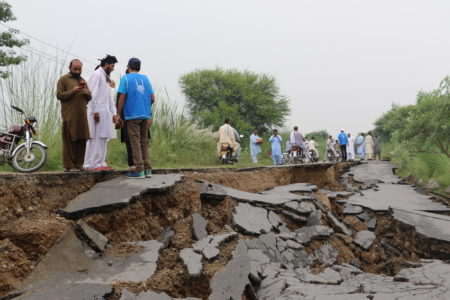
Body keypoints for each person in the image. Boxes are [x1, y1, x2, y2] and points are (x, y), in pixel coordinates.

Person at [117, 58, 155, 179]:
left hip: (132, 115)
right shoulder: (146, 79)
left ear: (128, 66)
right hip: (145, 115)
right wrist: (146, 109)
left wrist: (119, 114)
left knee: (135, 142)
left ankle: (138, 170)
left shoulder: (126, 79)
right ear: (139, 67)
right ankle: (148, 169)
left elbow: (122, 97)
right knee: (144, 142)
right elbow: (152, 98)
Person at [56, 59, 92, 172]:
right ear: (70, 68)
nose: (77, 71)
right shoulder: (63, 80)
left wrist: (87, 93)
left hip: (82, 115)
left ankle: (78, 165)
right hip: (69, 115)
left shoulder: (83, 80)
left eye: (79, 69)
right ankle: (69, 165)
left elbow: (89, 98)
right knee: (69, 140)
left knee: (82, 139)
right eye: (75, 69)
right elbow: (59, 95)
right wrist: (73, 90)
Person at [84, 55, 118, 171]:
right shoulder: (97, 75)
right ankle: (95, 164)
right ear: (107, 64)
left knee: (103, 138)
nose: (113, 68)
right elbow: (92, 95)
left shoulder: (104, 78)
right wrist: (95, 111)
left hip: (105, 112)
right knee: (96, 138)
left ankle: (101, 162)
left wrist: (114, 113)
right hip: (97, 112)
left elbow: (108, 98)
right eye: (112, 66)